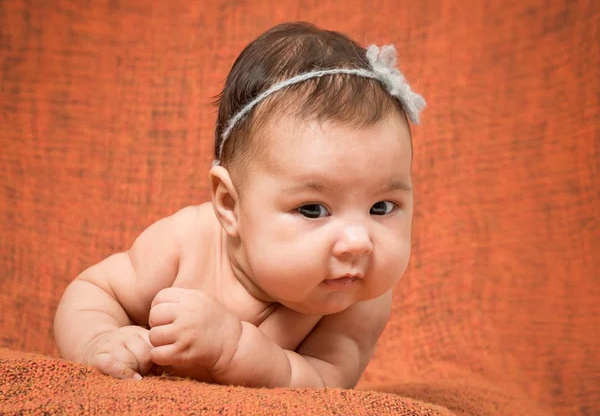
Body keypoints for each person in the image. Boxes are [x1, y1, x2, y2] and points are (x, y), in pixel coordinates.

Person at [53, 22, 426, 389]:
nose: (359, 242)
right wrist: (98, 340)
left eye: (381, 207)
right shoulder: (184, 244)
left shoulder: (357, 300)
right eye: (313, 209)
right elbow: (92, 292)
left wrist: (233, 348)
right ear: (229, 204)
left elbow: (325, 383)